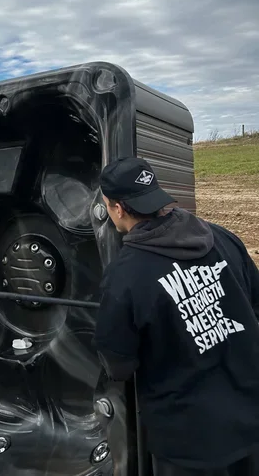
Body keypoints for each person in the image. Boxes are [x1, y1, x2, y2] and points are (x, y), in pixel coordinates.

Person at [94, 156, 259, 476]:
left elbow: (118, 364)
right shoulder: (221, 237)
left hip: (188, 444)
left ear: (118, 209)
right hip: (250, 417)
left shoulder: (125, 275)